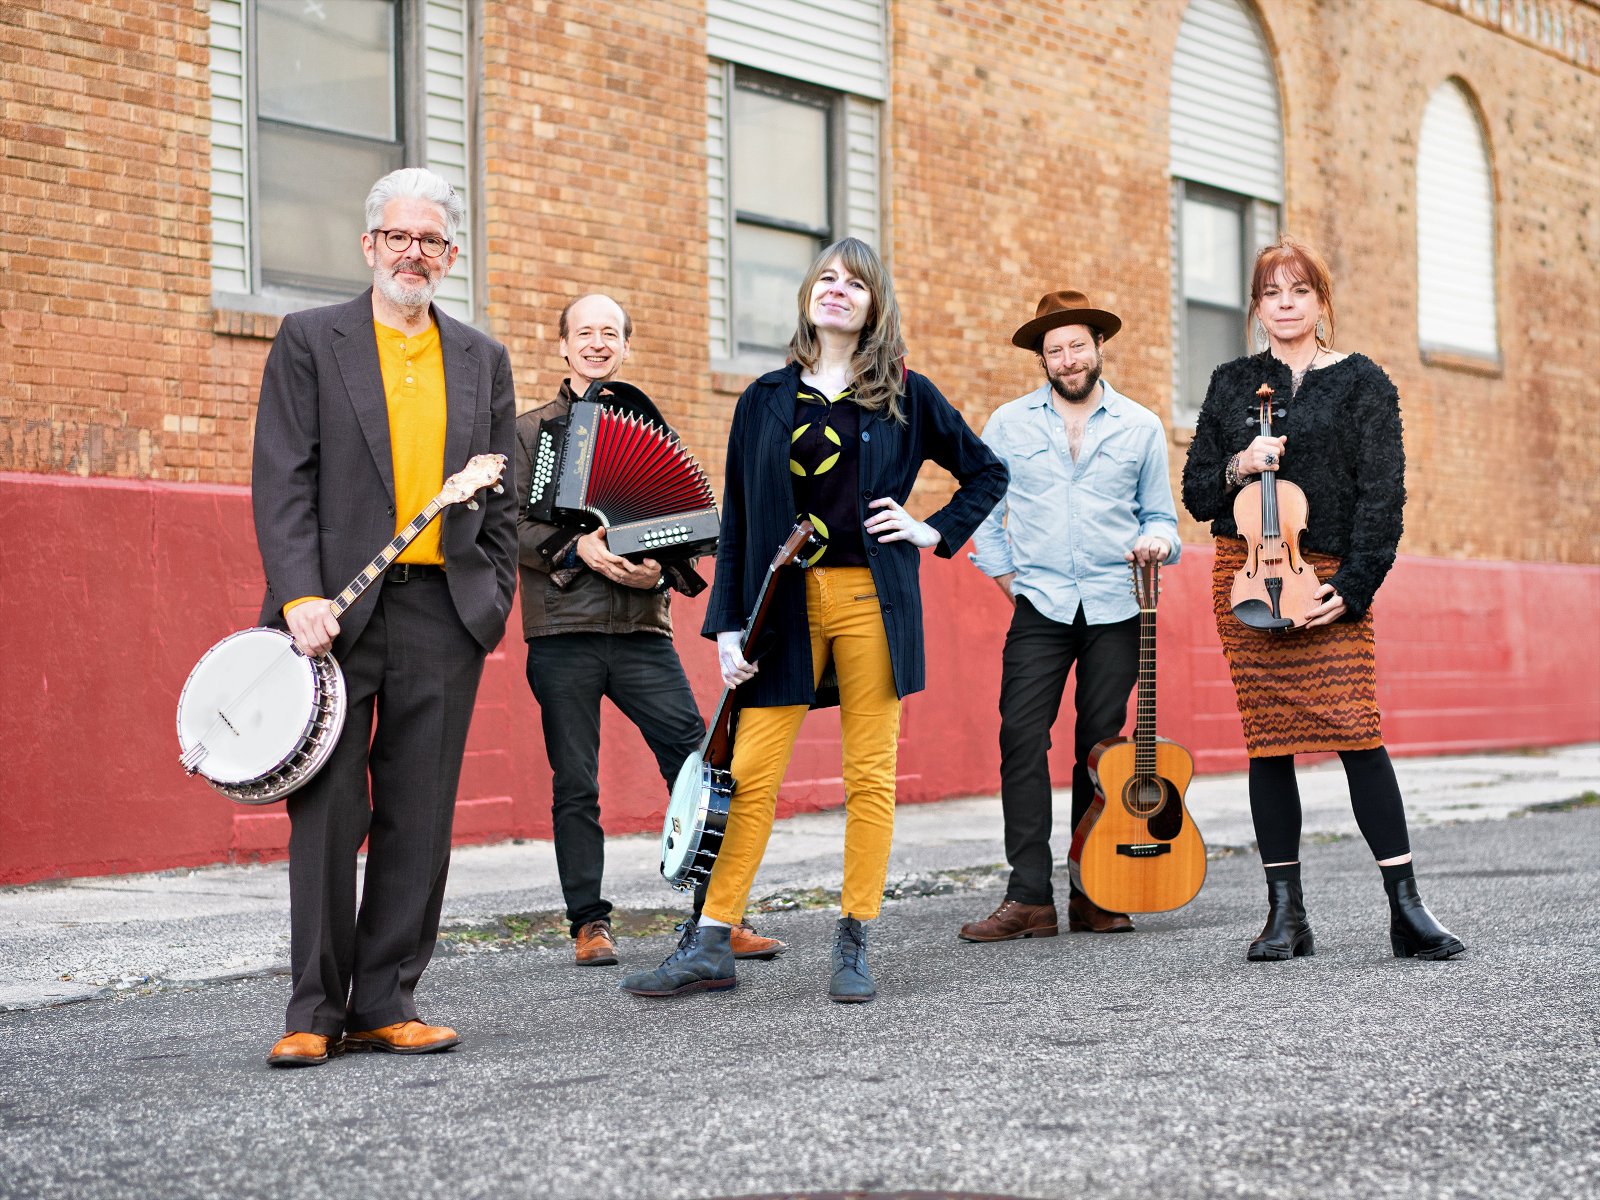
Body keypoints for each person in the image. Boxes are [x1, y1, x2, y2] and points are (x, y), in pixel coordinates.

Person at [619, 237, 1007, 1003]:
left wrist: (931, 530)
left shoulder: (906, 392)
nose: (836, 290)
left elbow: (986, 470)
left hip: (872, 599)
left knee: (870, 776)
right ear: (808, 296)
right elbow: (739, 518)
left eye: (854, 283)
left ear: (874, 306)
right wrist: (729, 625)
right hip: (782, 607)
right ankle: (709, 942)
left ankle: (854, 937)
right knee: (752, 774)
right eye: (825, 278)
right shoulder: (765, 397)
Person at [252, 167, 519, 1067]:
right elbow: (282, 476)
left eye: (432, 239)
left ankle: (388, 999)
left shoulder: (482, 358)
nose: (416, 252)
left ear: (451, 254)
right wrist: (295, 597)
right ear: (370, 245)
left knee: (419, 814)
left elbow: (504, 497)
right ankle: (313, 1011)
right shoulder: (309, 340)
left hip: (444, 612)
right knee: (327, 812)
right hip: (329, 617)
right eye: (399, 236)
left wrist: (492, 592)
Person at [1181, 234, 1464, 962]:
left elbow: (1384, 495)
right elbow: (1195, 491)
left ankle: (1407, 910)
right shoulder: (1231, 382)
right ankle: (1286, 916)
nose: (1285, 304)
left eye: (1298, 291)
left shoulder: (1364, 382)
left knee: (1357, 732)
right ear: (1256, 305)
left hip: (1328, 579)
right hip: (1246, 572)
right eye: (1271, 292)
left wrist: (1356, 586)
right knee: (1267, 742)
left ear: (1321, 300)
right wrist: (1241, 462)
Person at [512, 293, 785, 967]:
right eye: (585, 333)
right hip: (563, 633)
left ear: (626, 347)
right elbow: (504, 527)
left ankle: (717, 917)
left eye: (610, 334)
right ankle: (589, 923)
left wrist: (657, 577)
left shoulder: (650, 429)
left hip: (641, 633)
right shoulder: (527, 432)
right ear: (563, 346)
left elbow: (689, 533)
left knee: (697, 766)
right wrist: (579, 549)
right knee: (576, 781)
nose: (597, 343)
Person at [956, 290, 1182, 944]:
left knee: (1100, 750)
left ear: (1098, 348)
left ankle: (1094, 890)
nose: (1067, 358)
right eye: (1055, 350)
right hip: (1041, 605)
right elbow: (983, 508)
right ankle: (1029, 896)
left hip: (1118, 605)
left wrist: (1158, 544)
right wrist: (1005, 577)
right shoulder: (1008, 424)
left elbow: (1161, 516)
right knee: (1021, 736)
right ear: (1043, 358)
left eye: (1077, 345)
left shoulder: (1140, 426)